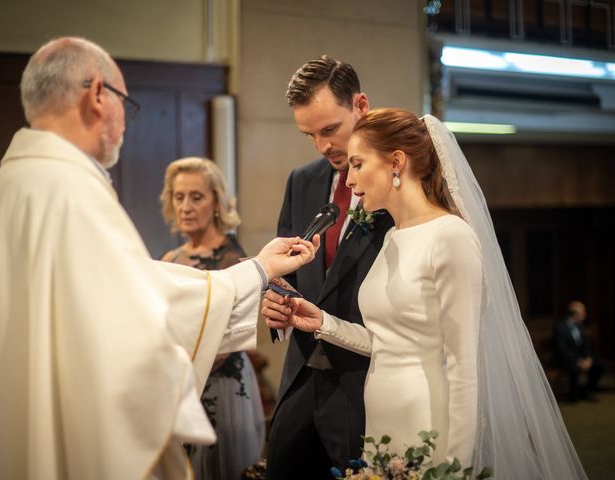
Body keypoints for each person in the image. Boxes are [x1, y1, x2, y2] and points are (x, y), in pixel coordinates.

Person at [0, 37, 317, 480]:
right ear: (98, 95)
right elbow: (144, 312)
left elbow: (132, 288)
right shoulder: (68, 190)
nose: (123, 122)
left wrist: (254, 268)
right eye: (124, 103)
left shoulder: (11, 184)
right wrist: (259, 270)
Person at [264, 108, 588, 479]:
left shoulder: (451, 236)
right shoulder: (392, 236)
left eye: (357, 164)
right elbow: (386, 342)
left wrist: (456, 467)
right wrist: (323, 323)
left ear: (396, 162)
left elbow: (465, 366)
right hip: (382, 423)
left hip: (428, 418)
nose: (349, 180)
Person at [264, 56, 394, 480]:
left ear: (361, 105)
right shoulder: (302, 180)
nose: (323, 146)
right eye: (310, 135)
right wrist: (276, 306)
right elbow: (286, 274)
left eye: (330, 130)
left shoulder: (398, 186)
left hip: (364, 384)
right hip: (300, 376)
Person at [160, 157, 265, 479]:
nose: (186, 207)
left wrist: (183, 374)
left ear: (217, 201)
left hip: (220, 383)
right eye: (179, 197)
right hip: (181, 379)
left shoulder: (235, 259)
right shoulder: (170, 258)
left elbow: (228, 339)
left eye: (197, 197)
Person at [553, 300, 605, 402]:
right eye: (582, 313)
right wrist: (579, 361)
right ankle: (573, 396)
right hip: (565, 359)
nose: (585, 315)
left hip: (580, 358)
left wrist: (589, 359)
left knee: (600, 365)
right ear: (574, 315)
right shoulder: (561, 327)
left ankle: (585, 391)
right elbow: (562, 349)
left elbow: (586, 346)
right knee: (574, 367)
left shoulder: (580, 326)